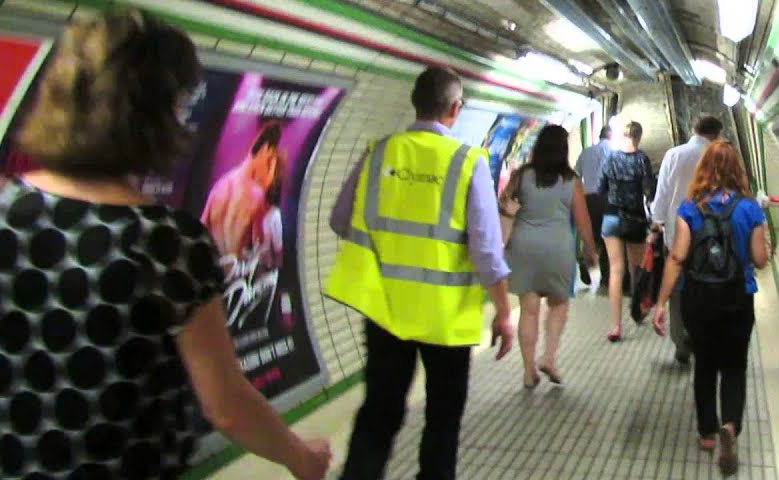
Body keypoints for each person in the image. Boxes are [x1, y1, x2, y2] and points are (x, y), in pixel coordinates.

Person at [0, 10, 330, 479]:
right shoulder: (164, 243)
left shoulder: (7, 206)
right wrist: (301, 456)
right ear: (156, 117)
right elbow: (227, 405)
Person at [327, 66, 514, 480]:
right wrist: (502, 312)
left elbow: (341, 220)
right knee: (442, 422)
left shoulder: (379, 152)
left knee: (379, 413)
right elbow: (485, 247)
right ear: (455, 108)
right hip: (446, 319)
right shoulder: (468, 161)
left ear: (415, 103)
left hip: (385, 309)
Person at [652, 141, 770, 476]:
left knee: (705, 364)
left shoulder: (689, 209)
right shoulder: (750, 209)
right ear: (738, 170)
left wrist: (661, 302)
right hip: (737, 298)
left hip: (698, 299)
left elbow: (677, 258)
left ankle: (706, 433)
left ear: (704, 169)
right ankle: (730, 426)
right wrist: (766, 249)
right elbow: (760, 260)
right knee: (734, 366)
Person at [499, 125, 599, 388]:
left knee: (528, 310)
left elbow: (503, 203)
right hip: (557, 248)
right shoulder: (572, 181)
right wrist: (590, 249)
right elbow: (582, 220)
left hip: (523, 247)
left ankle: (528, 370)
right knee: (559, 304)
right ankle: (549, 357)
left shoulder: (522, 175)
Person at [649, 113, 723, 363]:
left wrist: (656, 222)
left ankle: (681, 340)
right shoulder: (718, 157)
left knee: (678, 290)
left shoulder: (674, 155)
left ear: (694, 130)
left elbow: (662, 193)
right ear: (716, 134)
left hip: (677, 235)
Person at [597, 121, 653, 341]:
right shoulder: (642, 159)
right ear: (639, 137)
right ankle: (637, 312)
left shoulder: (610, 157)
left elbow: (600, 187)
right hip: (636, 217)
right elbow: (648, 190)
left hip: (611, 217)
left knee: (616, 270)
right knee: (635, 269)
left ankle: (616, 326)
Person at [201, 121, 281, 257]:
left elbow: (201, 226)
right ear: (265, 150)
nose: (271, 172)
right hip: (235, 272)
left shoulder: (221, 185)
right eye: (270, 162)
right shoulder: (256, 195)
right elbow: (260, 249)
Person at [574, 125, 613, 289]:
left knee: (591, 234)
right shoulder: (612, 152)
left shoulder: (585, 152)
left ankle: (585, 261)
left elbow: (577, 175)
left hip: (588, 199)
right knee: (606, 237)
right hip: (606, 199)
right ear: (610, 136)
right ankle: (605, 275)